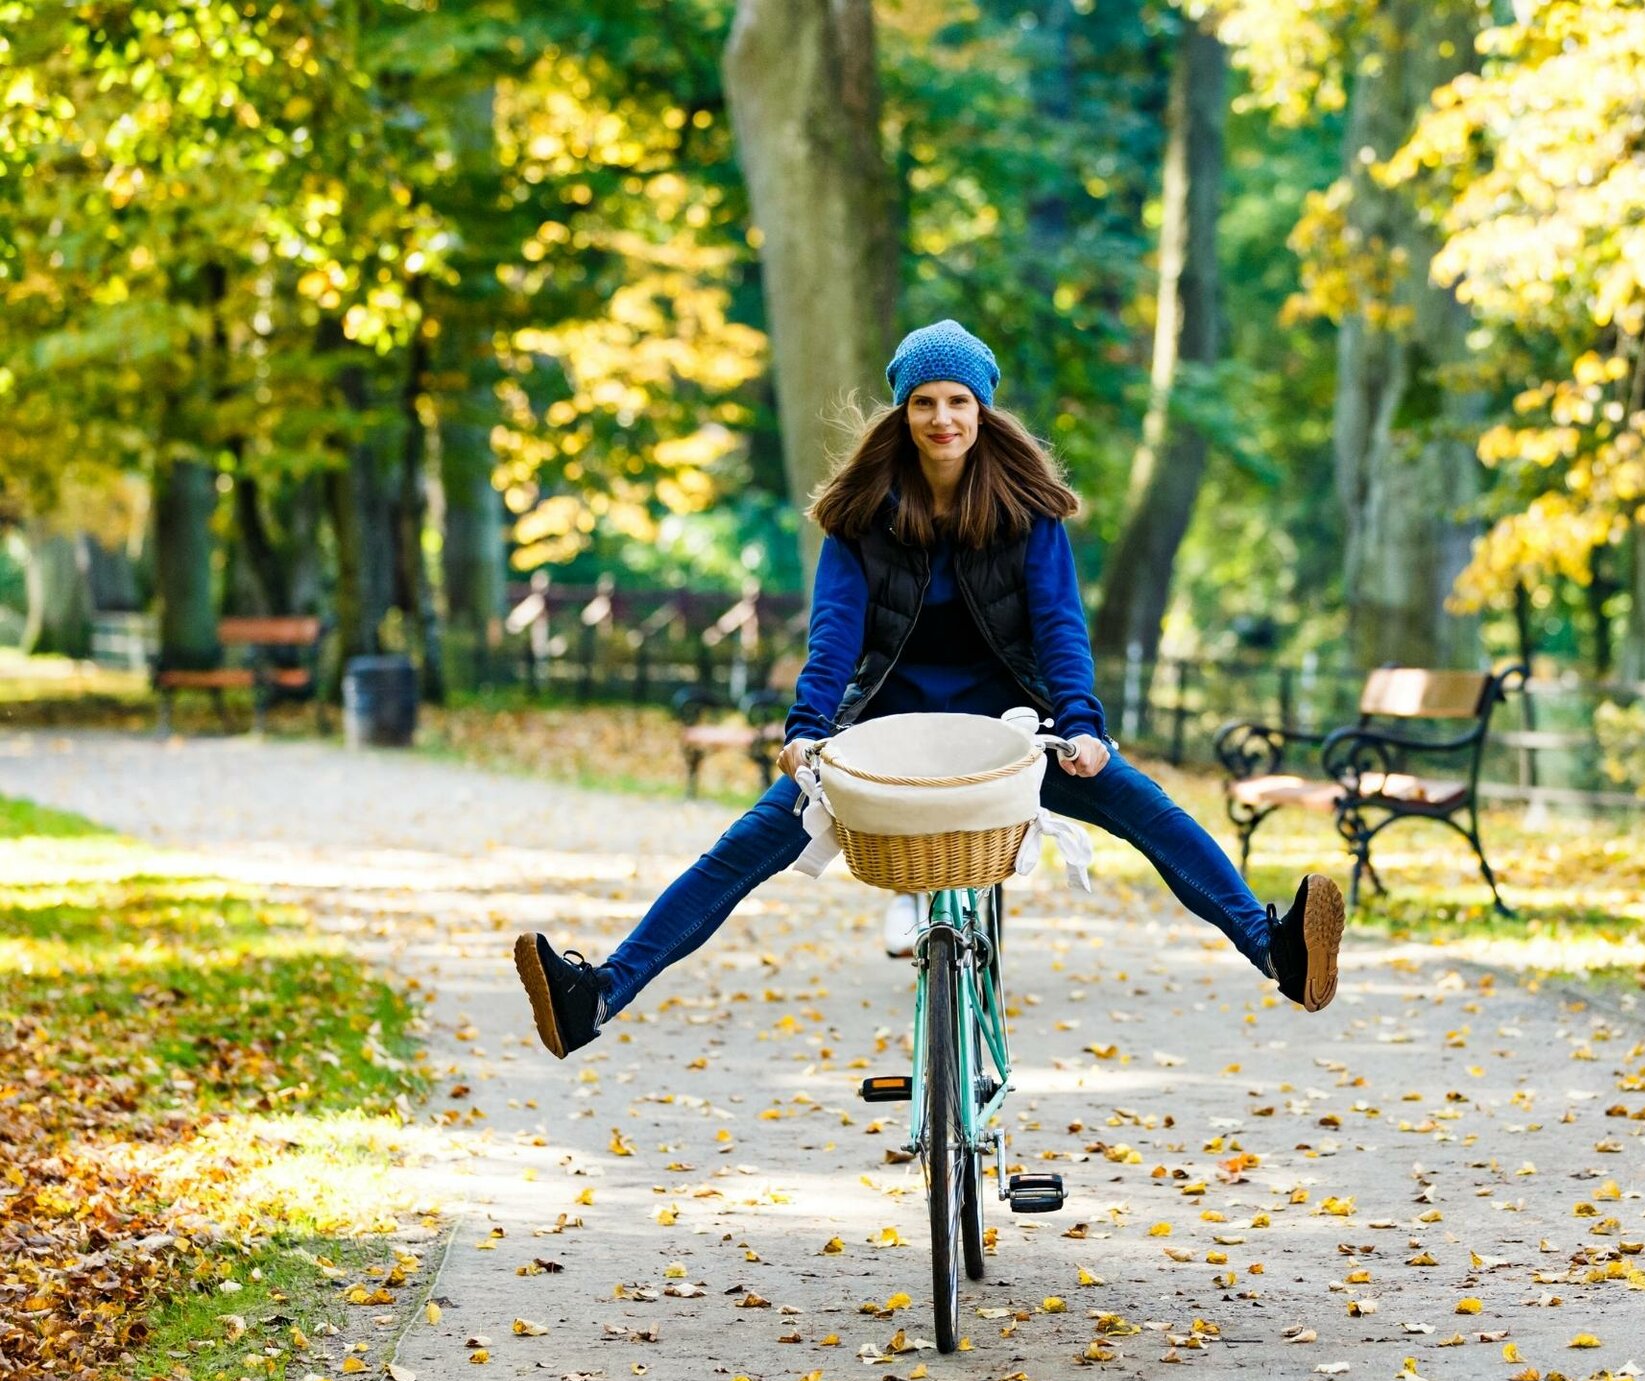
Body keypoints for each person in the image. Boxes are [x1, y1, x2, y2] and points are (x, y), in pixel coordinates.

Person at [513, 319, 1344, 1059]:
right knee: (740, 851)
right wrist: (806, 729)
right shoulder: (858, 518)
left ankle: (1277, 952)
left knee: (1149, 812)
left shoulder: (1030, 515)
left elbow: (1060, 629)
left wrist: (1083, 726)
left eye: (957, 401)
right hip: (881, 740)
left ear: (983, 412)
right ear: (902, 414)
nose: (941, 418)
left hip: (1014, 735)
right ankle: (599, 996)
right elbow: (834, 634)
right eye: (923, 402)